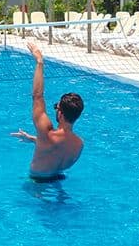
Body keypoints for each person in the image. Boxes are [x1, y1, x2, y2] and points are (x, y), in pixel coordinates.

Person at [11, 41, 84, 182]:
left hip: (36, 183)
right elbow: (55, 149)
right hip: (58, 178)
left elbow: (37, 96)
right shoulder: (79, 144)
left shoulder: (47, 133)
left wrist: (39, 62)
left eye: (56, 107)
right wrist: (33, 139)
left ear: (61, 113)